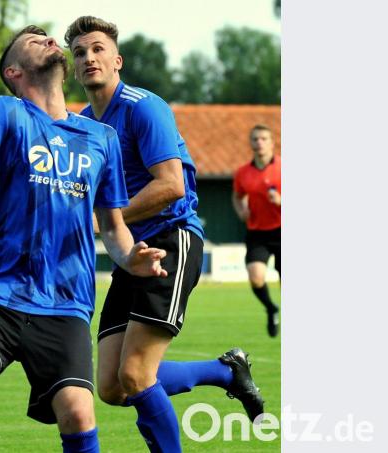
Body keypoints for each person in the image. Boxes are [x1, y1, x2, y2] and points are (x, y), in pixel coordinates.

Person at [0, 27, 169, 453]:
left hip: (65, 300)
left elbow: (111, 225)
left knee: (78, 412)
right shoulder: (5, 111)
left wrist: (131, 257)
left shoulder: (101, 138)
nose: (49, 41)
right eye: (34, 42)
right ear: (14, 71)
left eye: (49, 38)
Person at [65, 16, 265, 452]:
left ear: (117, 60)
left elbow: (171, 184)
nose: (88, 58)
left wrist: (104, 221)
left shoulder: (143, 106)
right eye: (79, 52)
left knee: (136, 375)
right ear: (73, 67)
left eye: (98, 49)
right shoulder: (82, 124)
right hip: (131, 252)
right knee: (113, 386)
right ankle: (225, 371)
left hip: (170, 240)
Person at [232, 124, 281, 337]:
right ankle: (271, 308)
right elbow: (236, 195)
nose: (259, 142)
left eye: (263, 138)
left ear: (272, 142)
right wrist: (241, 209)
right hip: (257, 233)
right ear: (251, 143)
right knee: (256, 278)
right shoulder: (243, 173)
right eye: (255, 139)